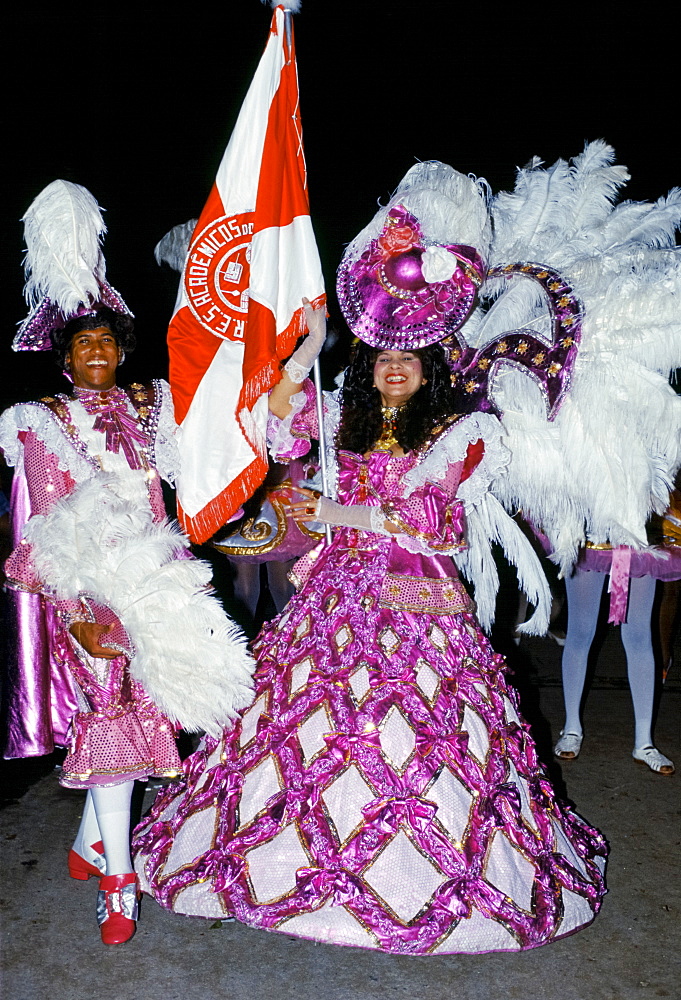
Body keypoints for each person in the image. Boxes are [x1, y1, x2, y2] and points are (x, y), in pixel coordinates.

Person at [132, 168, 607, 954]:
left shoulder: (456, 436)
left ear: (428, 373)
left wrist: (337, 511)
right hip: (330, 600)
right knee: (303, 731)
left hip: (418, 607)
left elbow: (435, 524)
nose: (393, 367)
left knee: (414, 738)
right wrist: (310, 345)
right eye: (382, 357)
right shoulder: (339, 431)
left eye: (409, 361)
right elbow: (272, 413)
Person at [0, 181, 254, 947]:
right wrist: (79, 618)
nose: (99, 352)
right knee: (113, 726)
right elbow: (46, 531)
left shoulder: (152, 406)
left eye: (109, 341)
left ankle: (88, 841)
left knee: (155, 727)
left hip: (166, 587)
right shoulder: (40, 423)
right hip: (97, 595)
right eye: (84, 344)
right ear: (65, 359)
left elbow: (200, 465)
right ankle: (121, 886)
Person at [554, 536, 681, 774]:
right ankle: (571, 728)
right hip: (591, 532)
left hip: (635, 537)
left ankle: (644, 743)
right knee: (580, 631)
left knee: (639, 635)